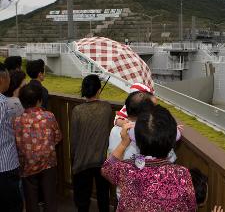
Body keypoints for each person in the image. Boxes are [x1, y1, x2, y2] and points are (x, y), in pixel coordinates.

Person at [102, 105, 197, 212]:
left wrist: (123, 144)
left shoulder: (126, 169)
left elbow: (107, 168)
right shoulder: (182, 174)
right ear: (171, 142)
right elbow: (191, 207)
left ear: (136, 140)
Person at [13, 83, 62, 212]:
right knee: (50, 198)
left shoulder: (17, 120)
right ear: (39, 100)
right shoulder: (49, 116)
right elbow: (57, 137)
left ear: (21, 101)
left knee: (31, 201)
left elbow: (16, 144)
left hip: (27, 165)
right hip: (48, 163)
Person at [70, 74, 112, 212]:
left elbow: (74, 139)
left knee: (82, 200)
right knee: (103, 197)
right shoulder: (106, 108)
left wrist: (73, 158)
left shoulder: (77, 111)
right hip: (101, 160)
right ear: (98, 90)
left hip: (82, 160)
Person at [0, 63, 23, 212]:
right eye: (8, 75)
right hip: (6, 166)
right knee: (12, 205)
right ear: (2, 79)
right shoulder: (3, 103)